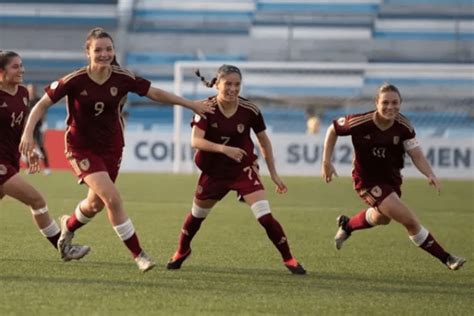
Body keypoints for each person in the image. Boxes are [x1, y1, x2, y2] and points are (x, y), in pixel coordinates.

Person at [19, 28, 214, 272]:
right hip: (81, 148)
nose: (104, 54)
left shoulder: (122, 77)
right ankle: (139, 255)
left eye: (108, 49)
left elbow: (154, 93)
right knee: (112, 198)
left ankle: (68, 227)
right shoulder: (74, 79)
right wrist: (28, 133)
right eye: (98, 50)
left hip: (112, 148)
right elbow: (41, 104)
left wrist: (189, 104)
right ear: (88, 52)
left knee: (95, 205)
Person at [166, 64, 306, 274]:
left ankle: (289, 259)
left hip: (243, 168)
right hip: (214, 172)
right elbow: (196, 141)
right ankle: (182, 250)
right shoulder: (205, 108)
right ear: (217, 84)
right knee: (197, 216)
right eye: (228, 84)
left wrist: (274, 174)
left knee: (265, 216)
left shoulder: (250, 110)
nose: (232, 88)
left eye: (237, 84)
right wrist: (224, 149)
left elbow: (264, 142)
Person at [321, 83, 466, 271]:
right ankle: (447, 258)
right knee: (410, 221)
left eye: (395, 103)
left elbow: (416, 154)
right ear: (376, 103)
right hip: (367, 181)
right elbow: (333, 129)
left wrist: (429, 173)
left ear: (401, 103)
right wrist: (326, 161)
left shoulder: (403, 126)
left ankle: (348, 226)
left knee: (382, 218)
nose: (390, 107)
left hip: (392, 180)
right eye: (385, 103)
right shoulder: (360, 122)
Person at [0, 50, 90, 261]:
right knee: (37, 201)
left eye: (21, 65)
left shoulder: (23, 94)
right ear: (1, 71)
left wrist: (29, 149)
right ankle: (64, 248)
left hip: (11, 158)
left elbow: (21, 127)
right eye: (15, 66)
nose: (21, 70)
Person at [26, 83, 51, 175]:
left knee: (40, 146)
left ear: (35, 90)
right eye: (29, 89)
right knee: (28, 148)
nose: (31, 91)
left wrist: (44, 123)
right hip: (29, 127)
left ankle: (47, 168)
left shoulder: (38, 100)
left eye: (32, 89)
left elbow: (43, 112)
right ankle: (30, 167)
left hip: (38, 126)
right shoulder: (25, 100)